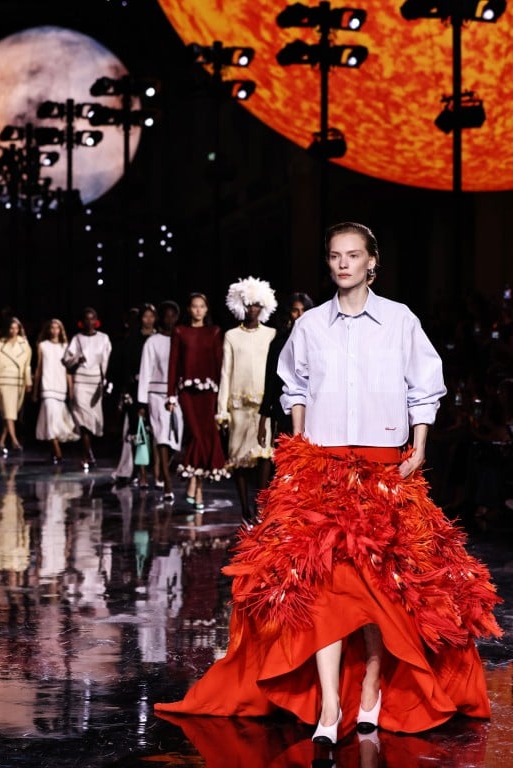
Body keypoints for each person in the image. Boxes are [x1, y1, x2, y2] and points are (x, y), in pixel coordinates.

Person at [154, 222, 502, 744]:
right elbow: (293, 383)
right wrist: (297, 442)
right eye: (335, 256)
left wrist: (422, 447)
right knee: (322, 593)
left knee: (379, 595)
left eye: (353, 255)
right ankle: (330, 707)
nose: (343, 264)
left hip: (385, 468)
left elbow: (424, 386)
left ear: (372, 263)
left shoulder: (399, 321)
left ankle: (370, 694)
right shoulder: (311, 325)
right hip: (322, 469)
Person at [217, 277, 278, 522]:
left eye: (256, 304)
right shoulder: (232, 335)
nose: (252, 308)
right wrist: (221, 409)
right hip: (239, 405)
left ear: (263, 306)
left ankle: (260, 507)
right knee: (239, 459)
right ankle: (244, 509)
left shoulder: (272, 334)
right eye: (248, 304)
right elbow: (225, 372)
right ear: (240, 305)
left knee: (264, 454)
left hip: (264, 406)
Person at [166, 293, 228, 510]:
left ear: (207, 309)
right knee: (197, 435)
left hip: (210, 392)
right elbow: (173, 364)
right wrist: (170, 394)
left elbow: (220, 363)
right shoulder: (180, 331)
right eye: (194, 306)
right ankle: (195, 485)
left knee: (206, 435)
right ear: (189, 309)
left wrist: (223, 396)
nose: (198, 310)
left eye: (202, 306)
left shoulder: (214, 332)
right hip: (187, 393)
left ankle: (196, 486)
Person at [137, 300, 184, 501]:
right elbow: (145, 370)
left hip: (178, 395)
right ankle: (166, 483)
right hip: (156, 394)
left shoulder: (182, 339)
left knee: (175, 439)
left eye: (173, 315)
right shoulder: (152, 342)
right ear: (161, 318)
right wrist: (142, 403)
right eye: (166, 315)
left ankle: (164, 472)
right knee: (162, 439)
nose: (170, 319)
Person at [259, 291, 315, 445]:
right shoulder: (278, 344)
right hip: (282, 410)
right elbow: (270, 382)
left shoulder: (318, 343)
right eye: (295, 310)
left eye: (304, 310)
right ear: (289, 313)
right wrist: (263, 418)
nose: (300, 314)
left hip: (311, 411)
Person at [62, 307, 112, 470]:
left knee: (93, 420)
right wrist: (77, 358)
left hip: (95, 381)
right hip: (81, 381)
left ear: (96, 320)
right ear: (82, 322)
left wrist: (104, 381)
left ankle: (87, 451)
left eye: (92, 318)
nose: (89, 322)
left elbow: (106, 361)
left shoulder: (104, 338)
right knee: (82, 419)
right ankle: (87, 453)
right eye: (86, 319)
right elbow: (66, 360)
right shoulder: (77, 338)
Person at [113, 304, 158, 488]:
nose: (148, 320)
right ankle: (142, 474)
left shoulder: (159, 338)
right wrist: (126, 390)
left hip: (156, 390)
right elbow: (125, 367)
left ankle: (156, 473)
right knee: (139, 432)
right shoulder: (132, 340)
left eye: (151, 316)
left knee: (156, 433)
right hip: (136, 390)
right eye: (145, 316)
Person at [33, 318, 79, 464]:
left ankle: (54, 450)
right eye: (52, 328)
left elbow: (68, 370)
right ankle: (57, 451)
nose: (54, 331)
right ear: (48, 330)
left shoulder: (66, 347)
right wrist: (35, 390)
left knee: (55, 419)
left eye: (57, 328)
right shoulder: (42, 346)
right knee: (50, 415)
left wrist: (71, 388)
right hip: (47, 386)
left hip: (60, 387)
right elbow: (39, 368)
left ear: (60, 330)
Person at [0, 316, 33, 454]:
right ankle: (14, 441)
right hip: (3, 380)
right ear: (6, 328)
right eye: (11, 328)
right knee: (9, 412)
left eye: (16, 328)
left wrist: (28, 382)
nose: (13, 331)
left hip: (18, 381)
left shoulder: (24, 344)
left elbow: (27, 365)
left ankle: (2, 439)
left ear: (19, 329)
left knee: (12, 413)